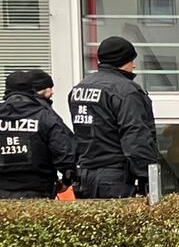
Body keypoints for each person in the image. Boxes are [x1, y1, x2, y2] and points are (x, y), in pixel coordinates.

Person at [68, 36, 157, 199]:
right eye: (132, 60)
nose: (134, 65)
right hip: (115, 179)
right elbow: (135, 136)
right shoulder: (126, 91)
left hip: (85, 177)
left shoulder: (78, 89)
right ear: (123, 60)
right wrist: (147, 176)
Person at [0, 70, 76, 199]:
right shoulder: (44, 116)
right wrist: (67, 178)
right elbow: (64, 151)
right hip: (38, 193)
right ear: (32, 90)